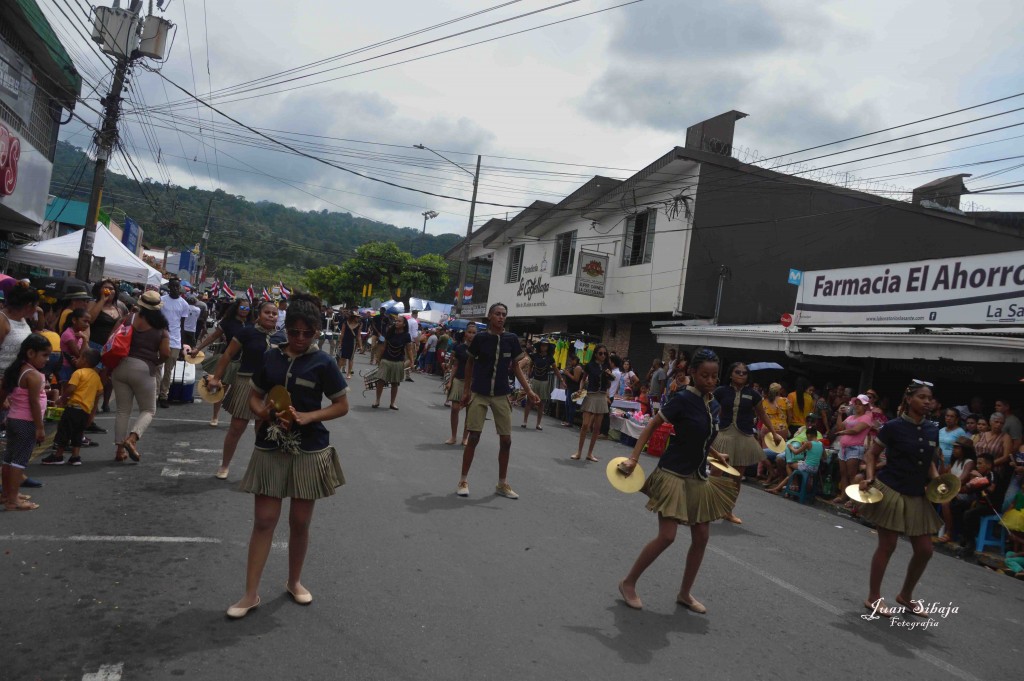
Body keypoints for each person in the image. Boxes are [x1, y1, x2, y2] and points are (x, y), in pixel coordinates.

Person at [225, 293, 349, 619]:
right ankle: (250, 594)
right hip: (270, 445)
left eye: (308, 333)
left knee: (300, 522)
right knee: (264, 520)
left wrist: (308, 417)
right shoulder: (271, 357)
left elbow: (341, 405)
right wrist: (264, 413)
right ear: (286, 328)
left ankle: (294, 581)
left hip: (309, 449)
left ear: (317, 331)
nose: (300, 338)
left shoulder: (324, 362)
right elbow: (254, 397)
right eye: (294, 331)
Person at [616, 348, 738, 613]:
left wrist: (717, 455)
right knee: (667, 536)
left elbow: (702, 436)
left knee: (702, 537)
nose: (710, 380)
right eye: (704, 375)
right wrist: (634, 458)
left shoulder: (714, 405)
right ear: (692, 373)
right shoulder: (682, 399)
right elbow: (652, 425)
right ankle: (628, 582)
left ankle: (684, 593)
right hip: (672, 473)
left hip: (698, 476)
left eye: (714, 376)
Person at [857, 381, 943, 617]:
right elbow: (872, 454)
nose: (927, 402)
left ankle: (905, 595)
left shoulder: (932, 429)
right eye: (922, 397)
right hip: (891, 489)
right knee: (888, 545)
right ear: (909, 399)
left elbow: (930, 462)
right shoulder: (893, 427)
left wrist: (939, 482)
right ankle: (873, 597)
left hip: (917, 494)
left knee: (925, 550)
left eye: (930, 398)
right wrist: (870, 477)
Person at [457, 303, 538, 499]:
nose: (501, 317)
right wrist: (466, 390)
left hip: (502, 394)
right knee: (474, 437)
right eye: (498, 314)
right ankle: (463, 480)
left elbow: (516, 367)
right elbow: (469, 363)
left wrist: (529, 391)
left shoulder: (511, 339)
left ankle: (502, 484)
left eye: (504, 314)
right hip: (480, 392)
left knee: (506, 440)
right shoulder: (480, 338)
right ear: (490, 316)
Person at [207, 300, 283, 480]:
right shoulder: (247, 331)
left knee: (264, 431)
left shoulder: (282, 337)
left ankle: (260, 470)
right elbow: (228, 354)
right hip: (246, 382)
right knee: (237, 427)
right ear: (259, 314)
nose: (271, 316)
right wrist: (216, 378)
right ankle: (225, 465)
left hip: (270, 388)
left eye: (274, 313)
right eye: (267, 312)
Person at [712, 362, 779, 524]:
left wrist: (774, 432)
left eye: (744, 373)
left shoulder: (753, 394)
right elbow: (711, 409)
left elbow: (762, 415)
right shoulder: (721, 391)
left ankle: (728, 511)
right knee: (716, 472)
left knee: (736, 477)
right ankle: (706, 506)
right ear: (730, 374)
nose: (741, 375)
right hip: (724, 434)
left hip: (744, 436)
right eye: (738, 372)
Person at [110, 291, 170, 463]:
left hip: (121, 366)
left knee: (123, 410)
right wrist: (156, 362)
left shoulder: (128, 319)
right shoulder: (161, 329)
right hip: (144, 368)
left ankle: (119, 451)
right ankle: (132, 438)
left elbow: (112, 338)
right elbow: (165, 353)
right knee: (149, 410)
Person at [0, 334, 50, 510]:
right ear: (30, 353)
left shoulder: (17, 369)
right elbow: (34, 403)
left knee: (9, 459)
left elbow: (3, 392)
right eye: (44, 355)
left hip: (13, 419)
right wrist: (40, 428)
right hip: (26, 422)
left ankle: (7, 494)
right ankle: (13, 501)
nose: (47, 359)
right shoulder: (33, 375)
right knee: (19, 462)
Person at [189, 299, 251, 427]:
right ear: (237, 308)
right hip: (229, 360)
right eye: (242, 308)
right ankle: (215, 416)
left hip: (246, 362)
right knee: (220, 388)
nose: (244, 311)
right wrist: (198, 349)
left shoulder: (252, 323)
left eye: (247, 308)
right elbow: (213, 336)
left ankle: (236, 418)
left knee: (240, 392)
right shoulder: (228, 322)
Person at [41, 348, 102, 467]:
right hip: (85, 411)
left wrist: (62, 399)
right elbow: (99, 393)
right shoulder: (96, 376)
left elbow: (71, 389)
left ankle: (58, 455)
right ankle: (75, 456)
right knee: (78, 433)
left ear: (84, 360)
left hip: (73, 408)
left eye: (79, 358)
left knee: (64, 431)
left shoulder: (78, 373)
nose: (76, 360)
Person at [85, 280, 127, 414]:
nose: (109, 290)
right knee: (93, 376)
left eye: (112, 288)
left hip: (110, 348)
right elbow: (90, 319)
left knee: (107, 378)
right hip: (94, 345)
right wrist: (102, 300)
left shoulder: (119, 308)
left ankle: (103, 402)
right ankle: (91, 404)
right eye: (106, 288)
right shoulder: (93, 303)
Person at [572, 344, 613, 463]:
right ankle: (579, 452)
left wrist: (609, 376)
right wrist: (580, 389)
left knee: (597, 428)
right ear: (595, 354)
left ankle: (590, 453)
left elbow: (609, 384)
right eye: (600, 353)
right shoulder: (589, 365)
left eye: (605, 353)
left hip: (601, 396)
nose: (603, 355)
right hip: (590, 395)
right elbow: (583, 379)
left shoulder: (607, 367)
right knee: (585, 425)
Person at [831, 395, 875, 504]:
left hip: (855, 448)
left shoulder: (866, 418)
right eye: (856, 404)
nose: (857, 406)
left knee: (852, 475)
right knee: (843, 473)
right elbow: (839, 427)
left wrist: (843, 432)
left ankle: (852, 500)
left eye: (860, 404)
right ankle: (843, 496)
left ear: (865, 407)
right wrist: (840, 414)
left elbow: (856, 430)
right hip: (844, 448)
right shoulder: (850, 417)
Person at [158, 278, 191, 408]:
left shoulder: (184, 304)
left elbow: (182, 325)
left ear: (180, 288)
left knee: (168, 370)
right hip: (161, 338)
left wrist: (182, 344)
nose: (175, 289)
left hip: (176, 341)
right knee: (157, 367)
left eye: (177, 287)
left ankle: (163, 395)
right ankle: (154, 393)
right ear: (169, 287)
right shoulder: (161, 300)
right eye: (173, 286)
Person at [372, 315, 414, 410]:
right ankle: (377, 400)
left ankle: (392, 403)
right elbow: (384, 346)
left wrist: (412, 361)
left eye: (399, 321)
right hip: (386, 359)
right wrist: (378, 358)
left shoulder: (406, 335)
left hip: (398, 361)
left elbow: (409, 350)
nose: (396, 322)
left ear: (404, 324)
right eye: (396, 321)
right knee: (381, 380)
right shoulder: (390, 332)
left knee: (395, 383)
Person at [444, 325, 477, 446]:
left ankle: (465, 438)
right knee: (455, 409)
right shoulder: (459, 348)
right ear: (465, 334)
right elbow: (455, 365)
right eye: (469, 332)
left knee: (470, 411)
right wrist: (450, 381)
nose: (471, 335)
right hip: (458, 379)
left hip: (473, 382)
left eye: (474, 333)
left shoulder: (479, 349)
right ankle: (453, 436)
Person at [766, 428, 824, 495]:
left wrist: (791, 447)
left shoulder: (808, 443)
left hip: (807, 467)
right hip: (815, 468)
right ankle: (778, 488)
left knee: (788, 465)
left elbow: (796, 452)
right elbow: (824, 456)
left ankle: (793, 483)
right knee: (792, 474)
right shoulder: (821, 444)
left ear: (808, 435)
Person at [522, 338, 553, 430]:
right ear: (540, 346)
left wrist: (562, 380)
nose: (544, 347)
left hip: (544, 382)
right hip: (535, 380)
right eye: (543, 345)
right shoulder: (535, 356)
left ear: (548, 347)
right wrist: (528, 375)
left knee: (541, 403)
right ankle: (525, 421)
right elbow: (530, 365)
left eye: (546, 345)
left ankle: (538, 424)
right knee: (529, 401)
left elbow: (555, 369)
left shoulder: (550, 358)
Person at [59, 309, 90, 384]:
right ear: (74, 320)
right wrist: (84, 339)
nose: (87, 325)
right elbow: (79, 355)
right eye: (85, 321)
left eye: (88, 322)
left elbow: (87, 352)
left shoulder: (79, 333)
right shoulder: (68, 334)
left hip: (74, 367)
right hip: (66, 367)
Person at [336, 310, 363, 379]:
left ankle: (349, 373)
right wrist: (340, 343)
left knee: (351, 358)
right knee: (342, 357)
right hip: (345, 341)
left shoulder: (359, 325)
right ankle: (337, 372)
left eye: (358, 317)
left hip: (353, 342)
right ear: (353, 317)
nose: (358, 318)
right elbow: (342, 334)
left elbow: (359, 336)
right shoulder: (345, 323)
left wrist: (360, 346)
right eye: (356, 317)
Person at [559, 354, 583, 428]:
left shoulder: (578, 367)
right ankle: (567, 420)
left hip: (574, 389)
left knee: (572, 405)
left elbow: (576, 379)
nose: (570, 362)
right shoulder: (573, 367)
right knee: (567, 404)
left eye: (571, 360)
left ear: (575, 360)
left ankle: (570, 422)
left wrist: (567, 373)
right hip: (569, 387)